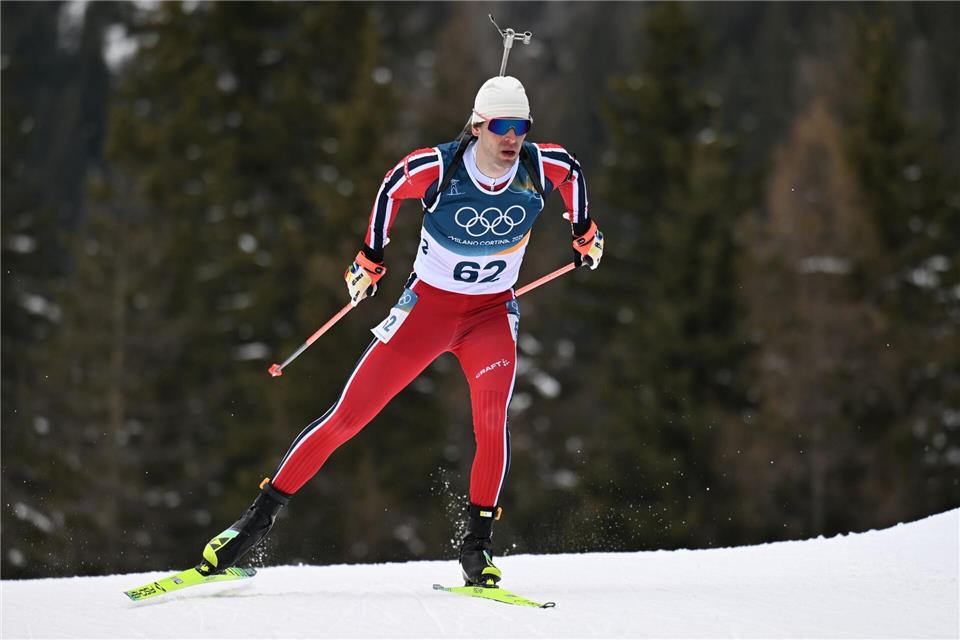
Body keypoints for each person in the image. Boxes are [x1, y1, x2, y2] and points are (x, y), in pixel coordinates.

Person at [196, 75, 604, 587]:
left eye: (520, 127)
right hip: (427, 313)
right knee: (347, 418)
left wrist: (584, 231)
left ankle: (477, 549)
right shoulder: (441, 167)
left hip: (490, 317)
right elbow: (392, 185)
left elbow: (574, 173)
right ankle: (250, 526)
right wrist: (370, 257)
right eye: (500, 126)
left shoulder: (542, 166)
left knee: (492, 421)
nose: (511, 138)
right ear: (477, 126)